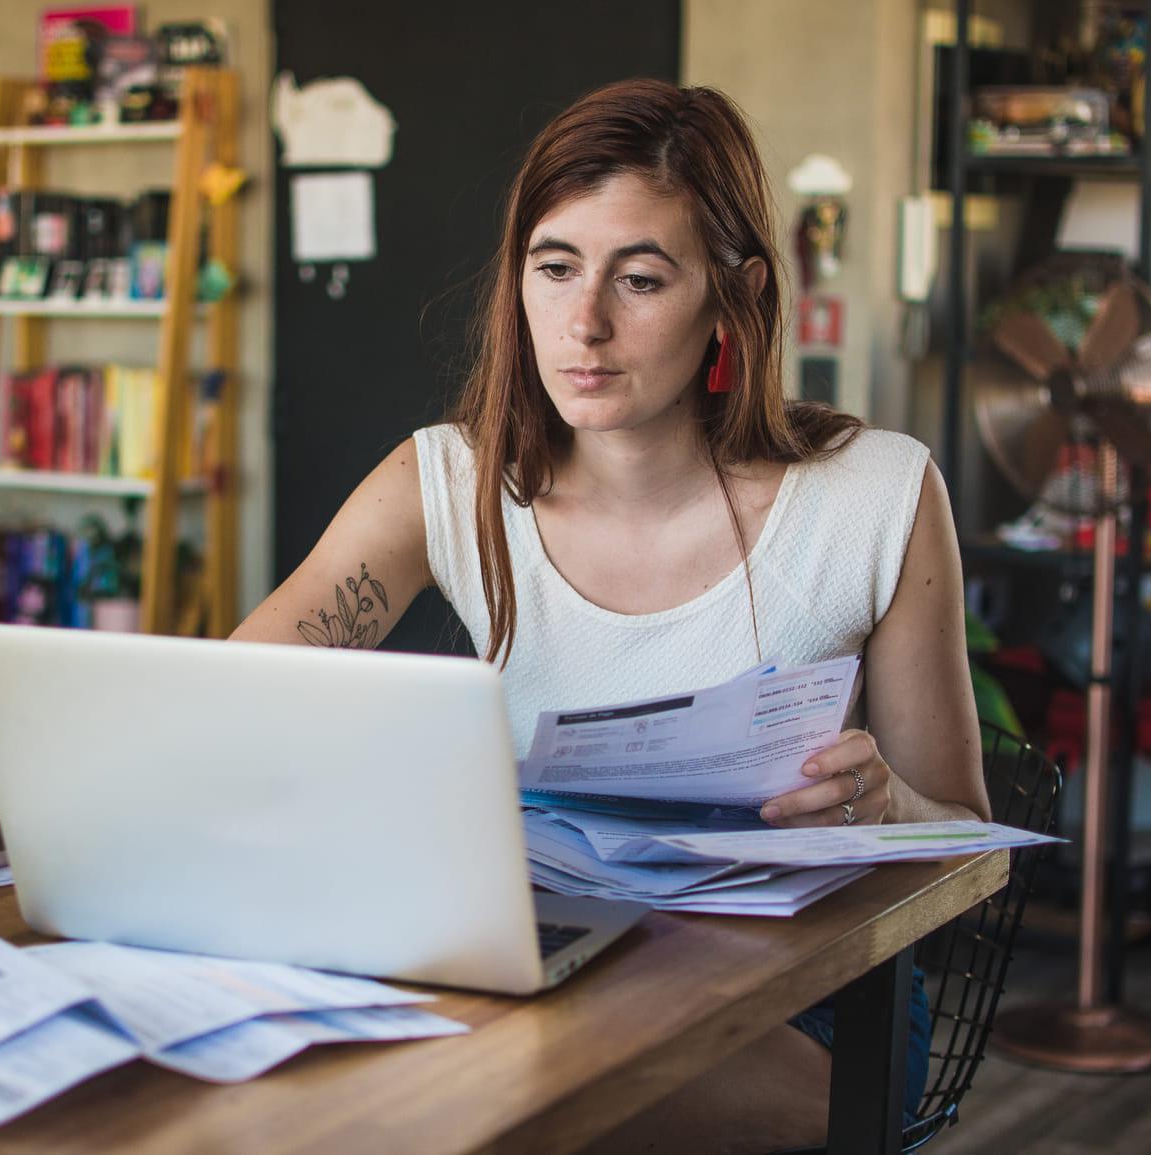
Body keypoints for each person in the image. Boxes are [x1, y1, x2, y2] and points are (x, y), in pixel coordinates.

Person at [232, 78, 990, 1153]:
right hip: (526, 955)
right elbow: (232, 699)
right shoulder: (443, 483)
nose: (583, 322)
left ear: (736, 297)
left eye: (639, 278)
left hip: (811, 998)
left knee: (452, 1090)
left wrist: (886, 804)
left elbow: (965, 847)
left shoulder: (877, 494)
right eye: (553, 269)